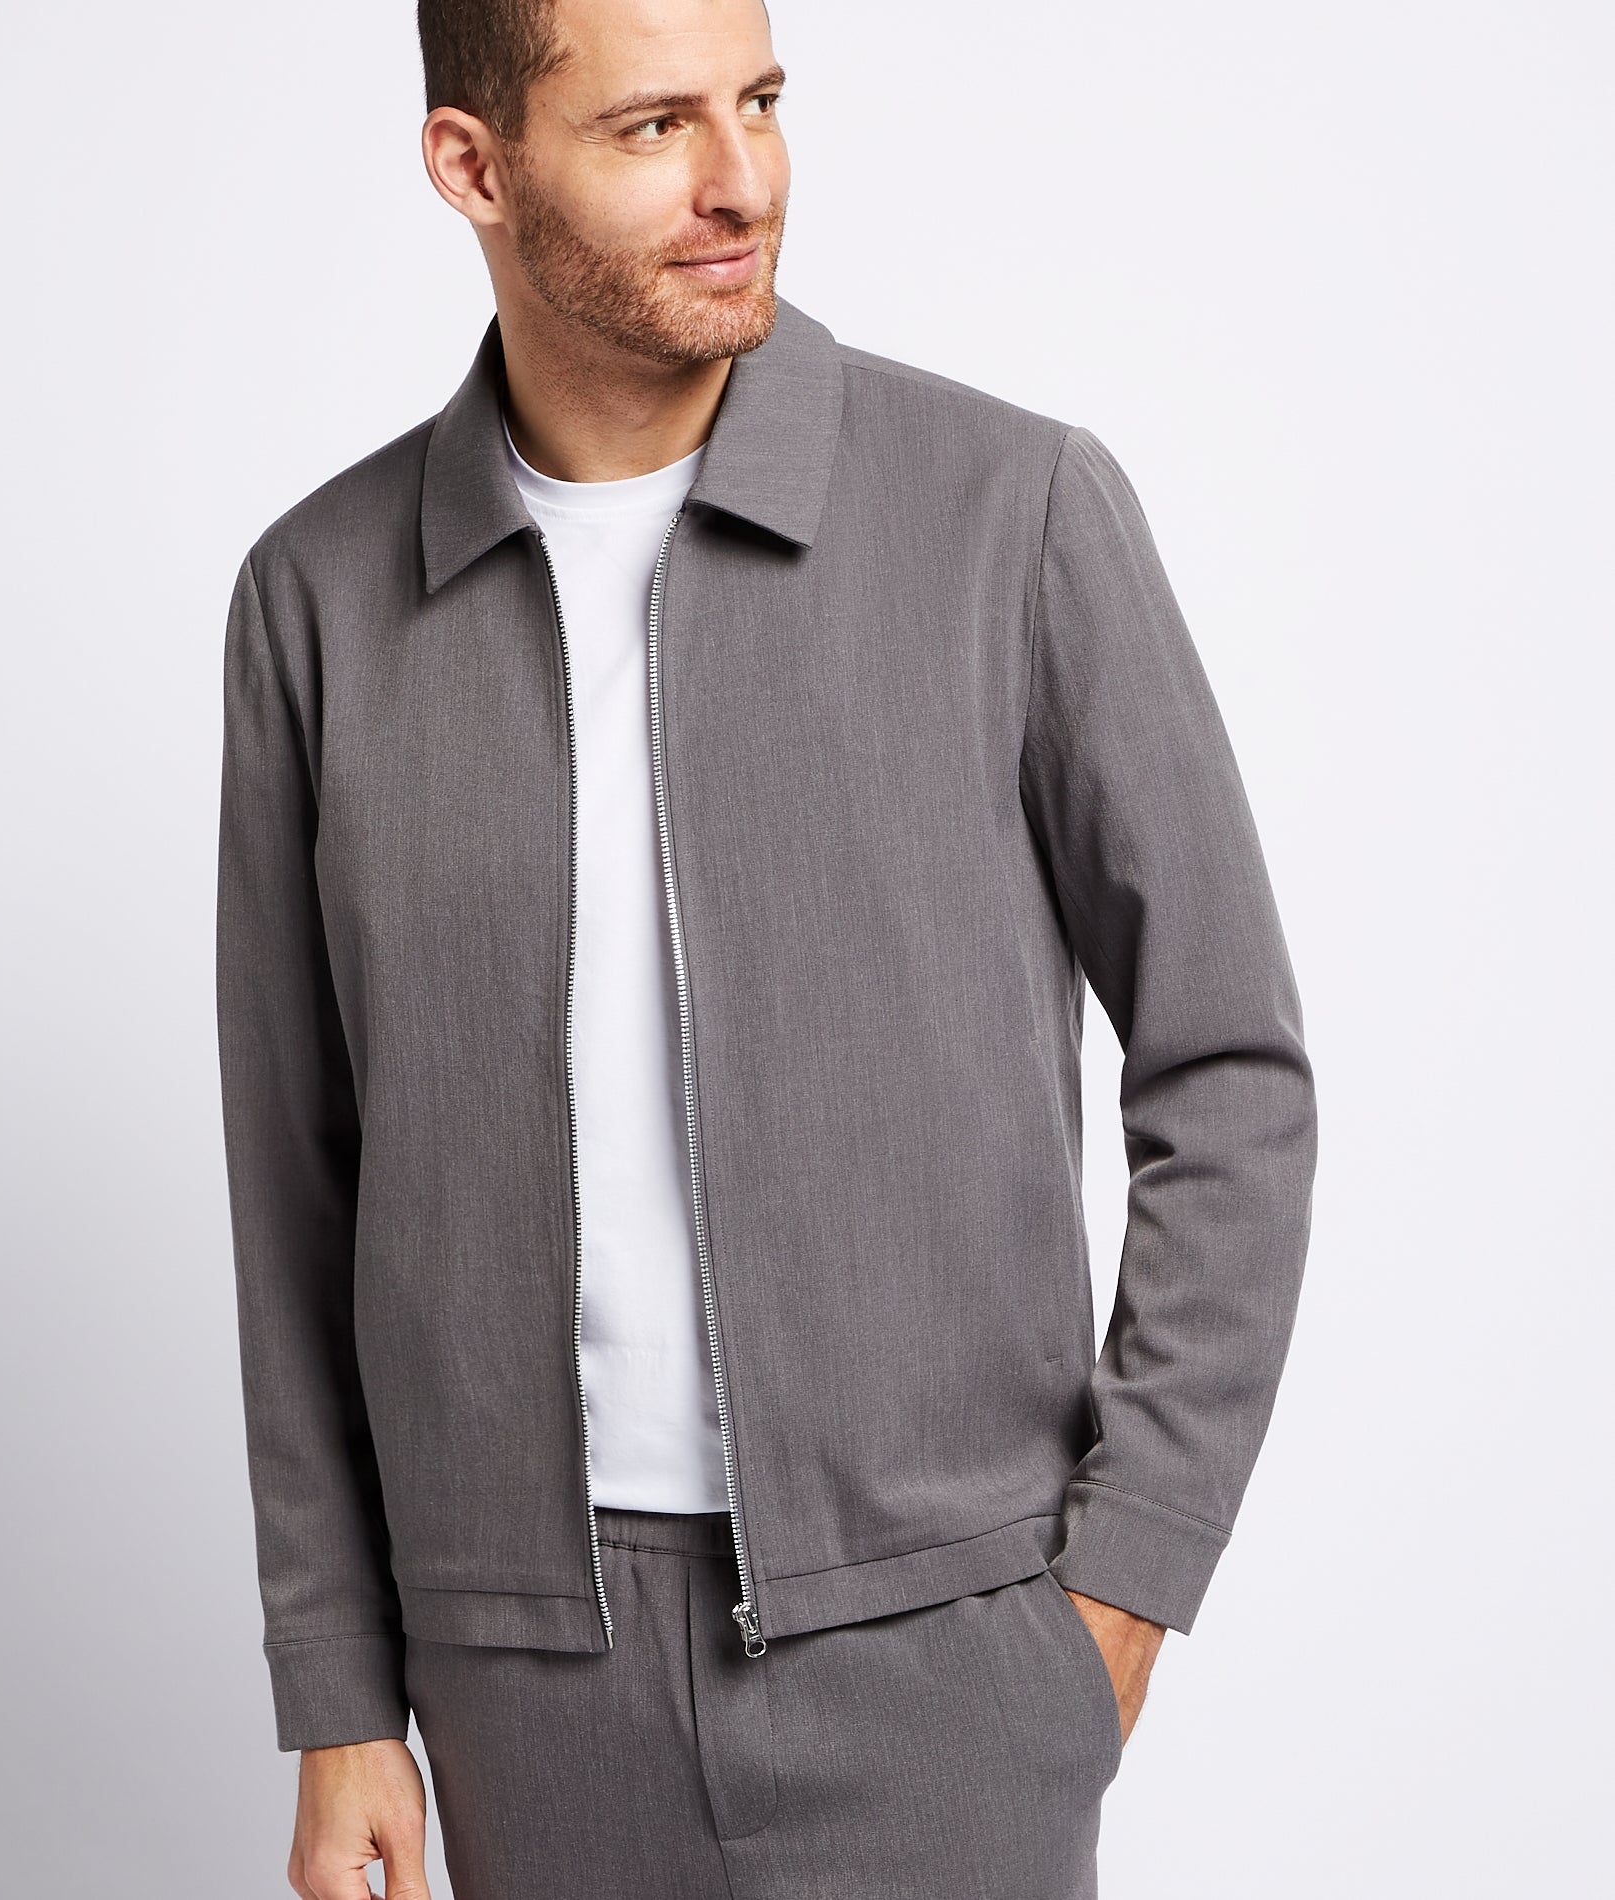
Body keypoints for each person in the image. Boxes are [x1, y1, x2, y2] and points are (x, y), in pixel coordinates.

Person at [213, 1, 1318, 1895]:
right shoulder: (318, 601)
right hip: (521, 1685)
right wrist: (335, 1693)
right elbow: (298, 1182)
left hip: (948, 1651)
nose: (743, 182)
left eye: (762, 102)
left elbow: (1229, 1069)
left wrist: (1125, 1581)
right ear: (475, 166)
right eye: (653, 127)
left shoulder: (1011, 513)